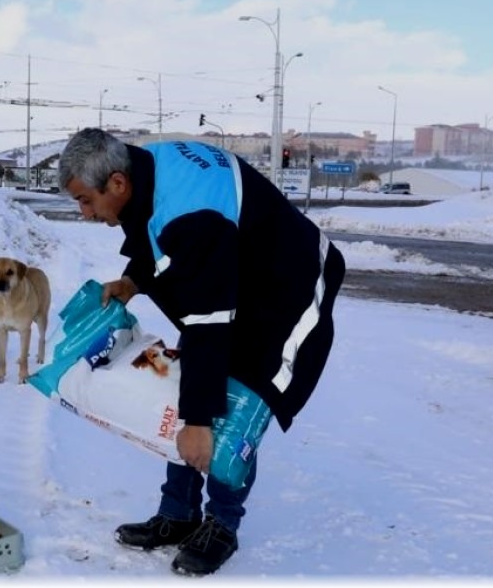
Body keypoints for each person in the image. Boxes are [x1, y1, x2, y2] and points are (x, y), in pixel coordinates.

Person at [58, 128, 345, 576]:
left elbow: (208, 320)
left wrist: (198, 423)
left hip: (288, 289)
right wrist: (134, 280)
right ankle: (178, 513)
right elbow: (156, 233)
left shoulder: (193, 216)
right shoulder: (141, 167)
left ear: (116, 183)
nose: (85, 213)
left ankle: (222, 524)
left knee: (233, 404)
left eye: (85, 200)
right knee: (191, 384)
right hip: (238, 269)